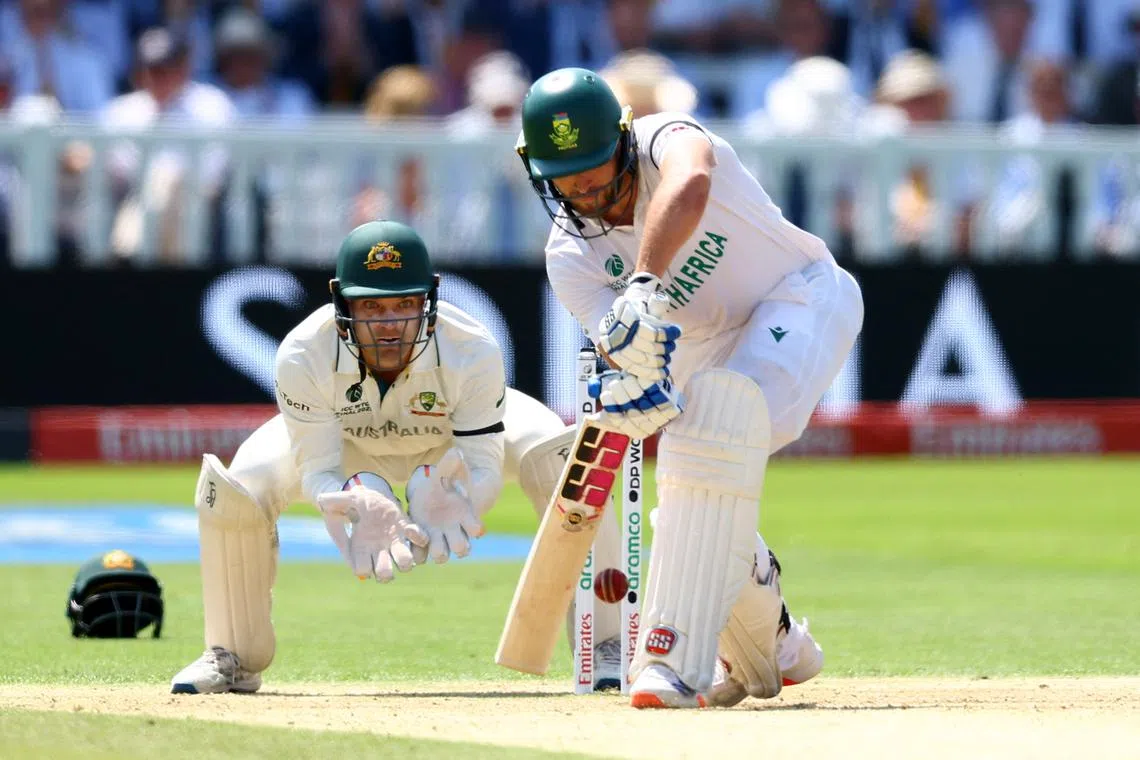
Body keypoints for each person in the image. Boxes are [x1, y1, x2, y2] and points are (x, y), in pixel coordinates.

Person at [515, 68, 864, 708]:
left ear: (621, 141)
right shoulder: (569, 257)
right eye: (565, 180)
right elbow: (627, 350)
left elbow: (693, 179)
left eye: (594, 170)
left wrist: (644, 281)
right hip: (704, 353)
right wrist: (632, 378)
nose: (585, 193)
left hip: (799, 296)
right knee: (690, 481)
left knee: (714, 427)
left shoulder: (666, 138)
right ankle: (780, 645)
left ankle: (670, 662)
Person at [170, 220, 591, 694]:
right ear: (340, 301)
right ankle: (230, 654)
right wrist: (357, 495)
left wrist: (461, 493)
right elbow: (319, 470)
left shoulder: (471, 347)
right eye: (371, 306)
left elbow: (484, 465)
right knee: (240, 484)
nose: (389, 324)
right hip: (348, 445)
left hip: (447, 449)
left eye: (404, 304)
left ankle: (605, 644)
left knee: (563, 456)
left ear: (428, 299)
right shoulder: (303, 353)